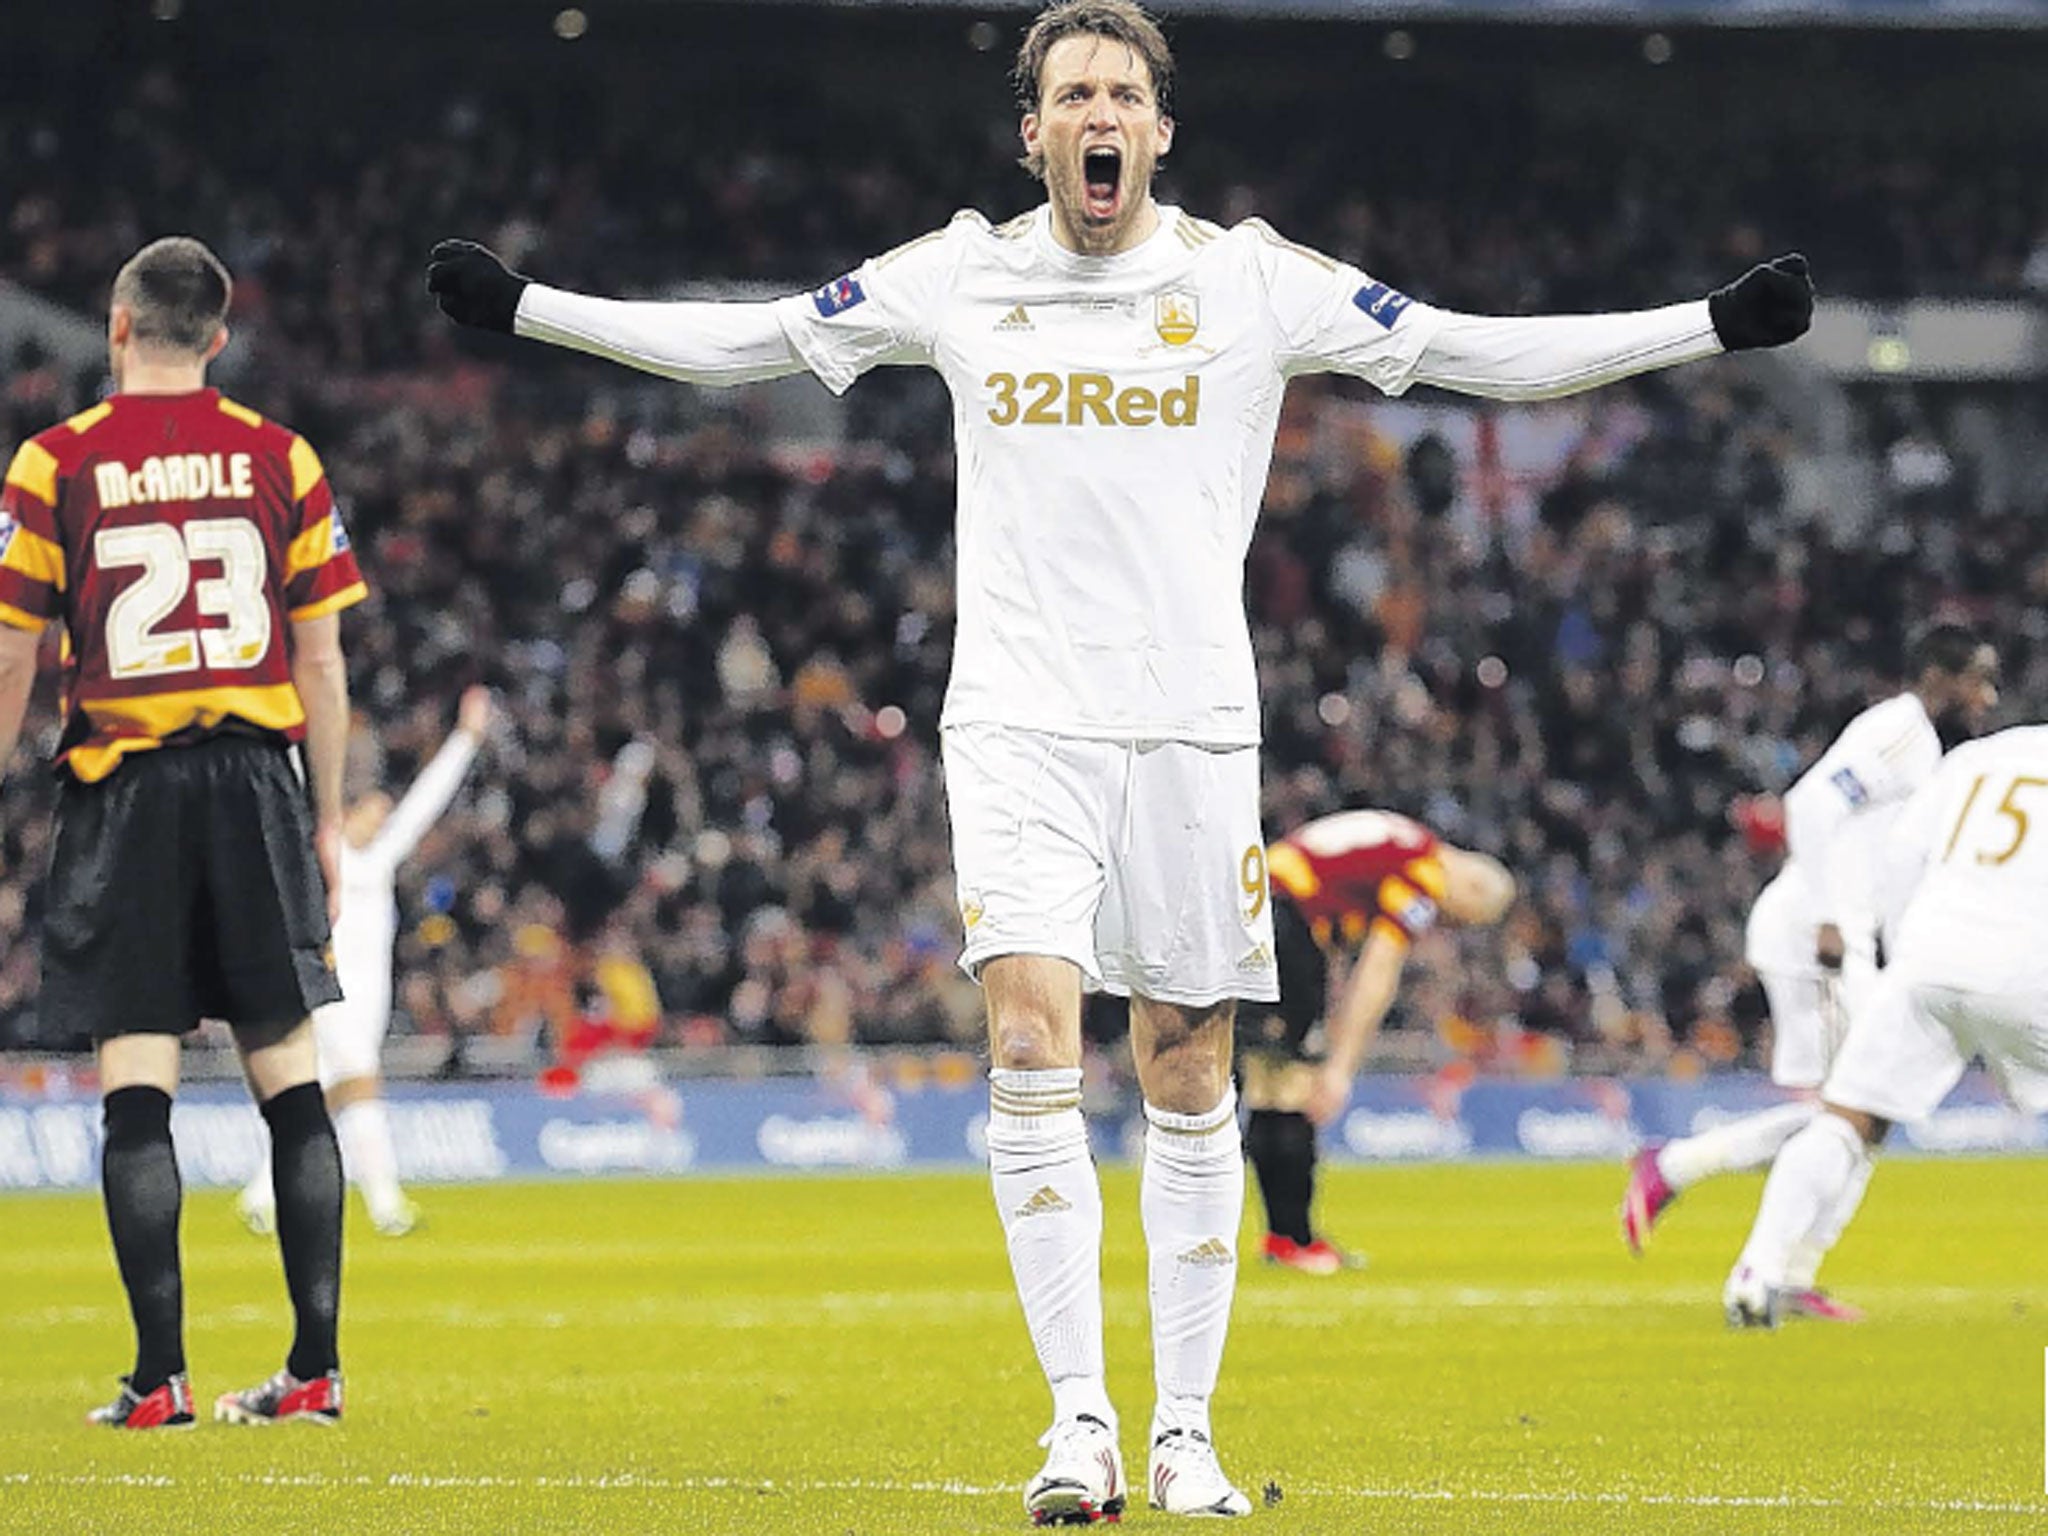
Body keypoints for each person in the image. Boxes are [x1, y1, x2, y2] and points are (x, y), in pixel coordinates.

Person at [425, 1, 1812, 1516]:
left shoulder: (1249, 282)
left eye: (1124, 94)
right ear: (1033, 133)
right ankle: (1078, 1424)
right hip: (1017, 719)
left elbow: (1477, 356)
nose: (1100, 114)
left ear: (1159, 131)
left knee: (1190, 1065)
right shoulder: (961, 273)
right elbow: (747, 339)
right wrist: (534, 310)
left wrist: (1706, 326)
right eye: (1072, 92)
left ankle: (1185, 1435)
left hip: (1194, 727)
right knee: (1029, 1040)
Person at [0, 237, 365, 1428]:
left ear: (114, 327)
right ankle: (314, 1370)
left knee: (137, 1087)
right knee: (291, 1083)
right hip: (258, 778)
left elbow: (12, 648)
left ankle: (159, 1378)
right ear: (217, 338)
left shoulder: (54, 463)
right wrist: (319, 824)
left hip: (130, 787)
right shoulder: (279, 455)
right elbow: (322, 657)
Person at [1620, 626, 1998, 1317]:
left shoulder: (1924, 747)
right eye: (1977, 679)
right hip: (1816, 936)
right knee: (1849, 1111)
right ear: (1940, 677)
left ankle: (1788, 1268)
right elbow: (1812, 803)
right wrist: (1830, 916)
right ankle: (1683, 1175)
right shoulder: (1902, 731)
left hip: (1844, 938)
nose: (1987, 696)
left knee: (1864, 1113)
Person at [1723, 720, 2048, 1327]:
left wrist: (1901, 951)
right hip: (2030, 972)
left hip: (1929, 958)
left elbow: (1902, 858)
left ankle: (1756, 1272)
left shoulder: (1977, 756)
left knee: (1845, 1119)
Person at [238, 686, 494, 1239]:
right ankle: (386, 1205)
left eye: (383, 818)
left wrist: (466, 739)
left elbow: (426, 803)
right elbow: (290, 788)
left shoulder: (375, 865)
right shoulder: (319, 859)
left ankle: (260, 1194)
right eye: (371, 816)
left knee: (325, 1097)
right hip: (330, 993)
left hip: (368, 1000)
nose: (379, 824)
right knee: (359, 1085)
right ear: (346, 814)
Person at [1242, 810, 1514, 1275]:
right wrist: (1341, 1069)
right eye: (1457, 918)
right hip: (1287, 919)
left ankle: (1281, 1238)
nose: (1444, 924)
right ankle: (1298, 1240)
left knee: (1267, 1083)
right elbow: (1378, 971)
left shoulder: (1404, 839)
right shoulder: (1423, 872)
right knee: (1298, 1088)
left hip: (1255, 902)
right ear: (1470, 888)